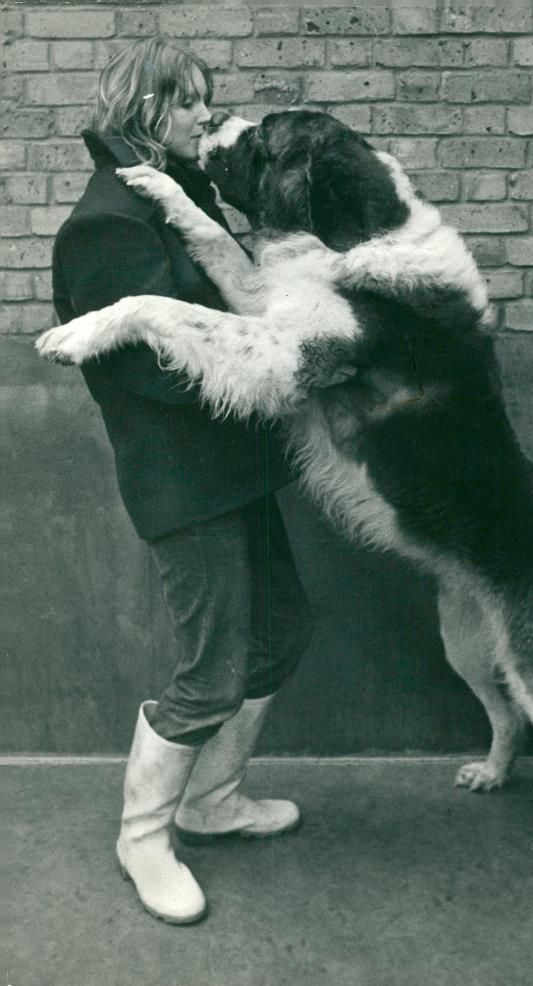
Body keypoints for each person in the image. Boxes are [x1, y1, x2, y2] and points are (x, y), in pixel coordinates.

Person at [52, 38, 314, 925]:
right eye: (191, 102)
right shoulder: (105, 225)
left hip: (241, 466)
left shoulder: (183, 199)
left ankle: (211, 800)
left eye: (208, 100)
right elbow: (144, 371)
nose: (208, 115)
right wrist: (268, 359)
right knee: (210, 673)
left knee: (281, 634)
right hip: (184, 482)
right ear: (144, 112)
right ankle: (143, 837)